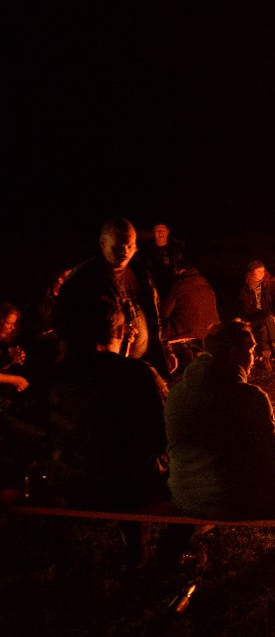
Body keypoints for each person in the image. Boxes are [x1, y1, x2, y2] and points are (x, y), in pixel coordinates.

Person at [163, 320, 275, 581]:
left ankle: (167, 555)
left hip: (186, 495)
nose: (254, 356)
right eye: (250, 349)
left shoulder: (178, 393)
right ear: (234, 353)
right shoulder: (249, 397)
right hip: (237, 500)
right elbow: (273, 460)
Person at [45, 295, 169, 572]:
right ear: (116, 331)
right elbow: (165, 432)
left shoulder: (56, 376)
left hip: (71, 483)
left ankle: (67, 562)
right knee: (140, 456)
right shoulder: (137, 374)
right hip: (129, 488)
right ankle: (145, 551)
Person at [53, 218, 171, 380]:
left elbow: (154, 316)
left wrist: (165, 350)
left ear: (135, 246)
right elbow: (65, 328)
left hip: (143, 364)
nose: (124, 251)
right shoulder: (83, 279)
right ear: (102, 243)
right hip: (106, 374)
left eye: (129, 246)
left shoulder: (140, 273)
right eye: (118, 246)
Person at [238, 260, 275, 374]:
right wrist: (268, 317)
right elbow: (246, 309)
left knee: (264, 327)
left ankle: (266, 359)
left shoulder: (266, 285)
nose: (262, 274)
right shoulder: (245, 289)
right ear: (251, 272)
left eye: (263, 271)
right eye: (258, 271)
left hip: (265, 319)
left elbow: (271, 305)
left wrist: (272, 317)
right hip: (250, 318)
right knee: (266, 320)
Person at [141, 222, 184, 299]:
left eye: (163, 230)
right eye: (157, 230)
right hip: (154, 291)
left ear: (168, 232)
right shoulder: (146, 251)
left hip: (174, 288)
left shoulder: (176, 249)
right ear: (153, 233)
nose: (160, 232)